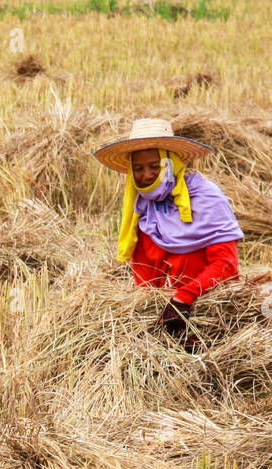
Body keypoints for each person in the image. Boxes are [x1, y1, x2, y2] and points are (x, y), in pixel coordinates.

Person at [94, 118, 244, 351]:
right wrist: (149, 317)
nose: (146, 175)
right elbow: (146, 281)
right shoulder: (143, 210)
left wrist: (184, 297)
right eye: (139, 169)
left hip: (213, 314)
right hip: (170, 320)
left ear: (171, 163)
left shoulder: (205, 197)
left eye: (155, 166)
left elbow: (226, 265)